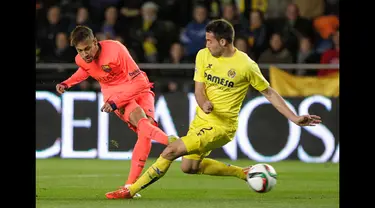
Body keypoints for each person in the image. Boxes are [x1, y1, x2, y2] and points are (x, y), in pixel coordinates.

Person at [105, 19, 322, 199]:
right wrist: (203, 102)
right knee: (188, 167)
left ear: (224, 41)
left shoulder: (246, 66)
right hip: (201, 120)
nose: (206, 44)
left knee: (171, 151)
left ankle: (130, 190)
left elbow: (269, 93)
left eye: (210, 41)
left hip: (222, 127)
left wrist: (294, 118)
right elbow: (199, 89)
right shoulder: (203, 55)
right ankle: (244, 173)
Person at [55, 25, 178, 198]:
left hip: (138, 89)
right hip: (114, 94)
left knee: (146, 131)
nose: (85, 54)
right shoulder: (81, 59)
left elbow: (141, 82)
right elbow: (85, 69)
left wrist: (117, 101)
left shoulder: (116, 49)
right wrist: (68, 83)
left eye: (88, 48)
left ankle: (129, 187)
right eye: (80, 50)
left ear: (95, 42)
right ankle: (171, 141)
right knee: (142, 123)